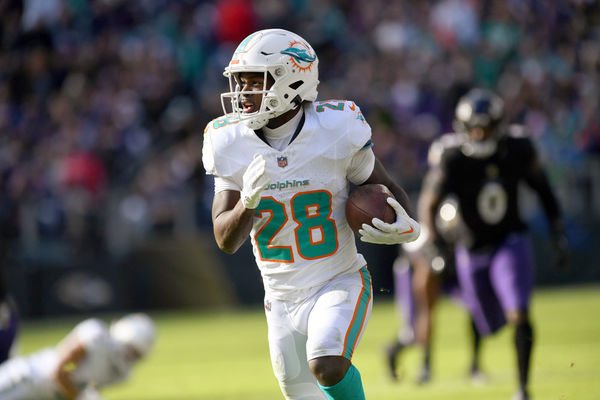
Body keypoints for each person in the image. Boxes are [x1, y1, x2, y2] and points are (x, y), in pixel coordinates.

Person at [202, 28, 420, 400]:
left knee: (327, 363)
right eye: (239, 82)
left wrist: (407, 224)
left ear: (291, 79)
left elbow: (386, 188)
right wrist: (247, 202)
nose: (242, 94)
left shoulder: (336, 128)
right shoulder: (227, 141)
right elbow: (225, 240)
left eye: (255, 82)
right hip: (280, 298)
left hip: (338, 280)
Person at [419, 88, 569, 400]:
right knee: (488, 323)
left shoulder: (517, 147)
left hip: (509, 240)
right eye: (474, 127)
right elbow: (428, 204)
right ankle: (485, 351)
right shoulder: (452, 155)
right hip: (470, 249)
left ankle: (523, 389)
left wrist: (557, 231)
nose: (479, 133)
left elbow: (543, 189)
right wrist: (432, 243)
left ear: (499, 126)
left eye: (486, 127)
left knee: (519, 313)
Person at [384, 194, 485, 385]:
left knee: (475, 308)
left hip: (446, 268)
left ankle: (475, 366)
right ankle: (416, 362)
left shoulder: (458, 232)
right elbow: (420, 263)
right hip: (415, 268)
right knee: (413, 331)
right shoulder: (426, 236)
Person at [0, 313, 156, 400]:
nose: (132, 357)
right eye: (133, 351)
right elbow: (61, 370)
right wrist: (77, 395)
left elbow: (88, 386)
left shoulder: (121, 374)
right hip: (27, 379)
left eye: (138, 355)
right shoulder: (96, 336)